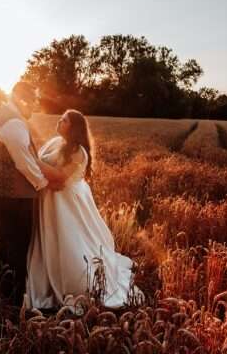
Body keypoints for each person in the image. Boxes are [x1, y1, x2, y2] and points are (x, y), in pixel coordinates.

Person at [26, 109, 142, 310]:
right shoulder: (56, 143)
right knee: (50, 237)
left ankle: (77, 281)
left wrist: (33, 161)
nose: (59, 121)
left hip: (66, 202)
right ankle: (45, 271)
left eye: (64, 120)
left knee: (69, 238)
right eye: (60, 117)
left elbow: (61, 178)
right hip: (51, 198)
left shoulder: (79, 152)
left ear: (74, 127)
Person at [0, 81, 55, 306]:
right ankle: (15, 297)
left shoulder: (0, 115)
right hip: (14, 194)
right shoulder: (13, 123)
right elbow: (23, 162)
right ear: (21, 99)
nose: (35, 105)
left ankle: (2, 286)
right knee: (20, 244)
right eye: (32, 100)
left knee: (3, 239)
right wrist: (42, 184)